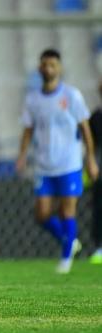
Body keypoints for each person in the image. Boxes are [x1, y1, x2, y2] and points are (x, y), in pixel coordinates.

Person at [16, 49, 99, 274]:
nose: (48, 68)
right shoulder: (33, 99)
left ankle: (65, 260)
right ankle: (69, 240)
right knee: (41, 214)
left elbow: (85, 128)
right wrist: (22, 155)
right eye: (44, 64)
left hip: (69, 164)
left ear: (59, 68)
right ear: (39, 68)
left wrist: (90, 159)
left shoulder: (72, 96)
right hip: (44, 165)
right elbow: (28, 129)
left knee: (67, 211)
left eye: (52, 64)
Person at [88, 80, 102, 264]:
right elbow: (91, 146)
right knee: (99, 209)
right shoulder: (96, 118)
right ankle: (100, 247)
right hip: (101, 169)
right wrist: (90, 163)